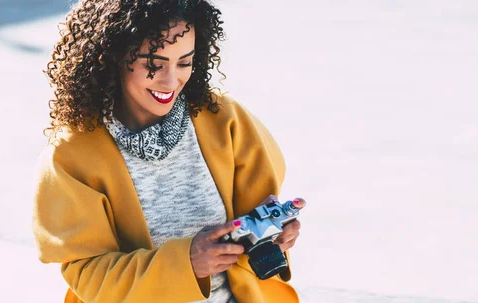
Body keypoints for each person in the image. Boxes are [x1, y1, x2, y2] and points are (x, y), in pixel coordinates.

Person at [31, 1, 302, 302]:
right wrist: (186, 263)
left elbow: (253, 221)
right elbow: (90, 275)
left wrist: (272, 234)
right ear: (112, 56)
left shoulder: (224, 119)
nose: (171, 81)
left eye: (184, 62)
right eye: (154, 64)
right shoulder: (71, 156)